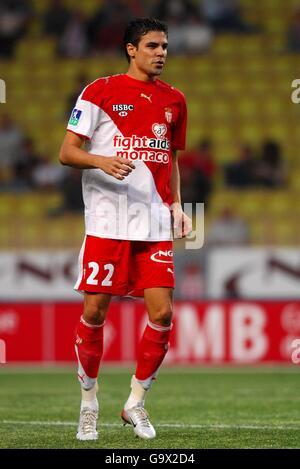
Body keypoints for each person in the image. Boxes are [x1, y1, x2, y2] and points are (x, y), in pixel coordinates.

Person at [59, 17, 191, 441]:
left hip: (153, 222)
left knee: (163, 313)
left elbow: (169, 158)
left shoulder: (175, 100)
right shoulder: (99, 91)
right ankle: (88, 404)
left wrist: (178, 206)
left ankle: (135, 402)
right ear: (131, 49)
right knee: (95, 312)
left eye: (165, 46)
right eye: (153, 45)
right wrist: (101, 161)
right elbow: (66, 152)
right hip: (106, 221)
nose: (162, 53)